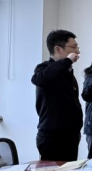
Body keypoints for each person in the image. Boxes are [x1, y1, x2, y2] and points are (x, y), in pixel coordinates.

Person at [31, 29, 83, 161]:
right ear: (58, 49)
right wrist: (67, 61)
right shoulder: (44, 68)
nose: (77, 52)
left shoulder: (67, 72)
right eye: (73, 47)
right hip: (53, 138)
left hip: (70, 136)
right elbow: (38, 79)